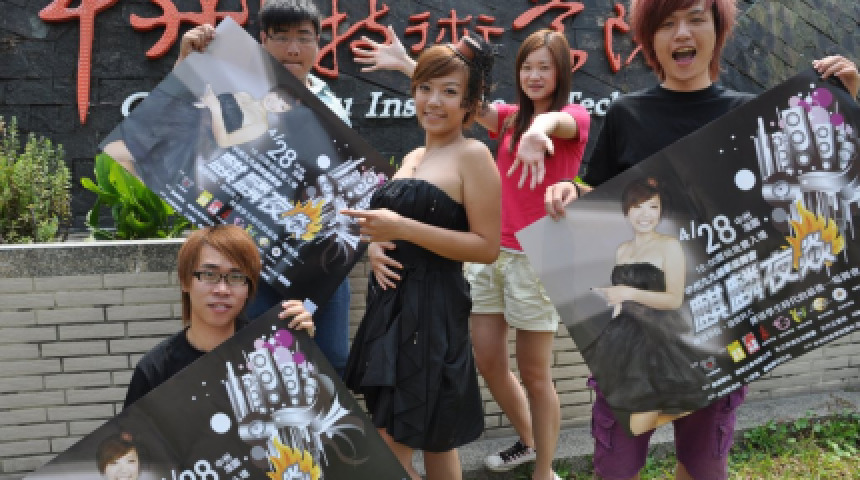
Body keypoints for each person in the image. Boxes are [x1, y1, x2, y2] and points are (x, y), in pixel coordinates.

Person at [541, 1, 860, 479]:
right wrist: (571, 192)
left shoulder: (750, 114)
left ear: (717, 30)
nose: (681, 33)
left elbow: (815, 190)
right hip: (634, 336)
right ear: (650, 40)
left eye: (694, 19)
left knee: (704, 467)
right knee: (615, 468)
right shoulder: (626, 114)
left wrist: (843, 104)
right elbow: (603, 201)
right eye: (667, 24)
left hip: (719, 327)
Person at [353, 28, 590, 480]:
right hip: (446, 281)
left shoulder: (568, 118)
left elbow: (546, 122)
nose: (534, 75)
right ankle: (527, 442)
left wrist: (536, 133)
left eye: (545, 67)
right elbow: (455, 95)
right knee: (483, 368)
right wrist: (409, 66)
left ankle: (544, 469)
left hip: (535, 253)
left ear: (562, 72)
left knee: (534, 373)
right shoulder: (501, 122)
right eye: (527, 66)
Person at [140, 0, 354, 378]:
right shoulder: (234, 92)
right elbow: (173, 125)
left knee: (330, 360)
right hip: (249, 257)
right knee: (256, 361)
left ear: (318, 44)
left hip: (318, 260)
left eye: (304, 38)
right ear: (262, 41)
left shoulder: (332, 104)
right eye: (281, 37)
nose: (293, 49)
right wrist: (186, 62)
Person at [341, 35, 501, 480]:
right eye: (425, 88)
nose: (433, 101)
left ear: (469, 104)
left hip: (432, 310)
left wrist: (403, 229)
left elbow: (487, 247)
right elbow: (394, 224)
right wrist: (377, 245)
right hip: (391, 305)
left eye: (449, 92)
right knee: (434, 437)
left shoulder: (473, 156)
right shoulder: (414, 155)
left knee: (394, 439)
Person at [123, 225, 314, 408]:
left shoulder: (273, 353)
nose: (222, 289)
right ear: (185, 281)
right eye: (209, 274)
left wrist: (303, 348)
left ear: (249, 288)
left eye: (236, 277)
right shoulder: (155, 371)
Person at [584, 177, 706, 436]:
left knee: (640, 422)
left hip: (657, 337)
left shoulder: (669, 245)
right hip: (622, 336)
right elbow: (620, 300)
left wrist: (628, 292)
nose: (645, 214)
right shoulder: (622, 250)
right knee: (625, 418)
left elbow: (674, 299)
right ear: (626, 211)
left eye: (653, 207)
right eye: (638, 206)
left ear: (661, 211)